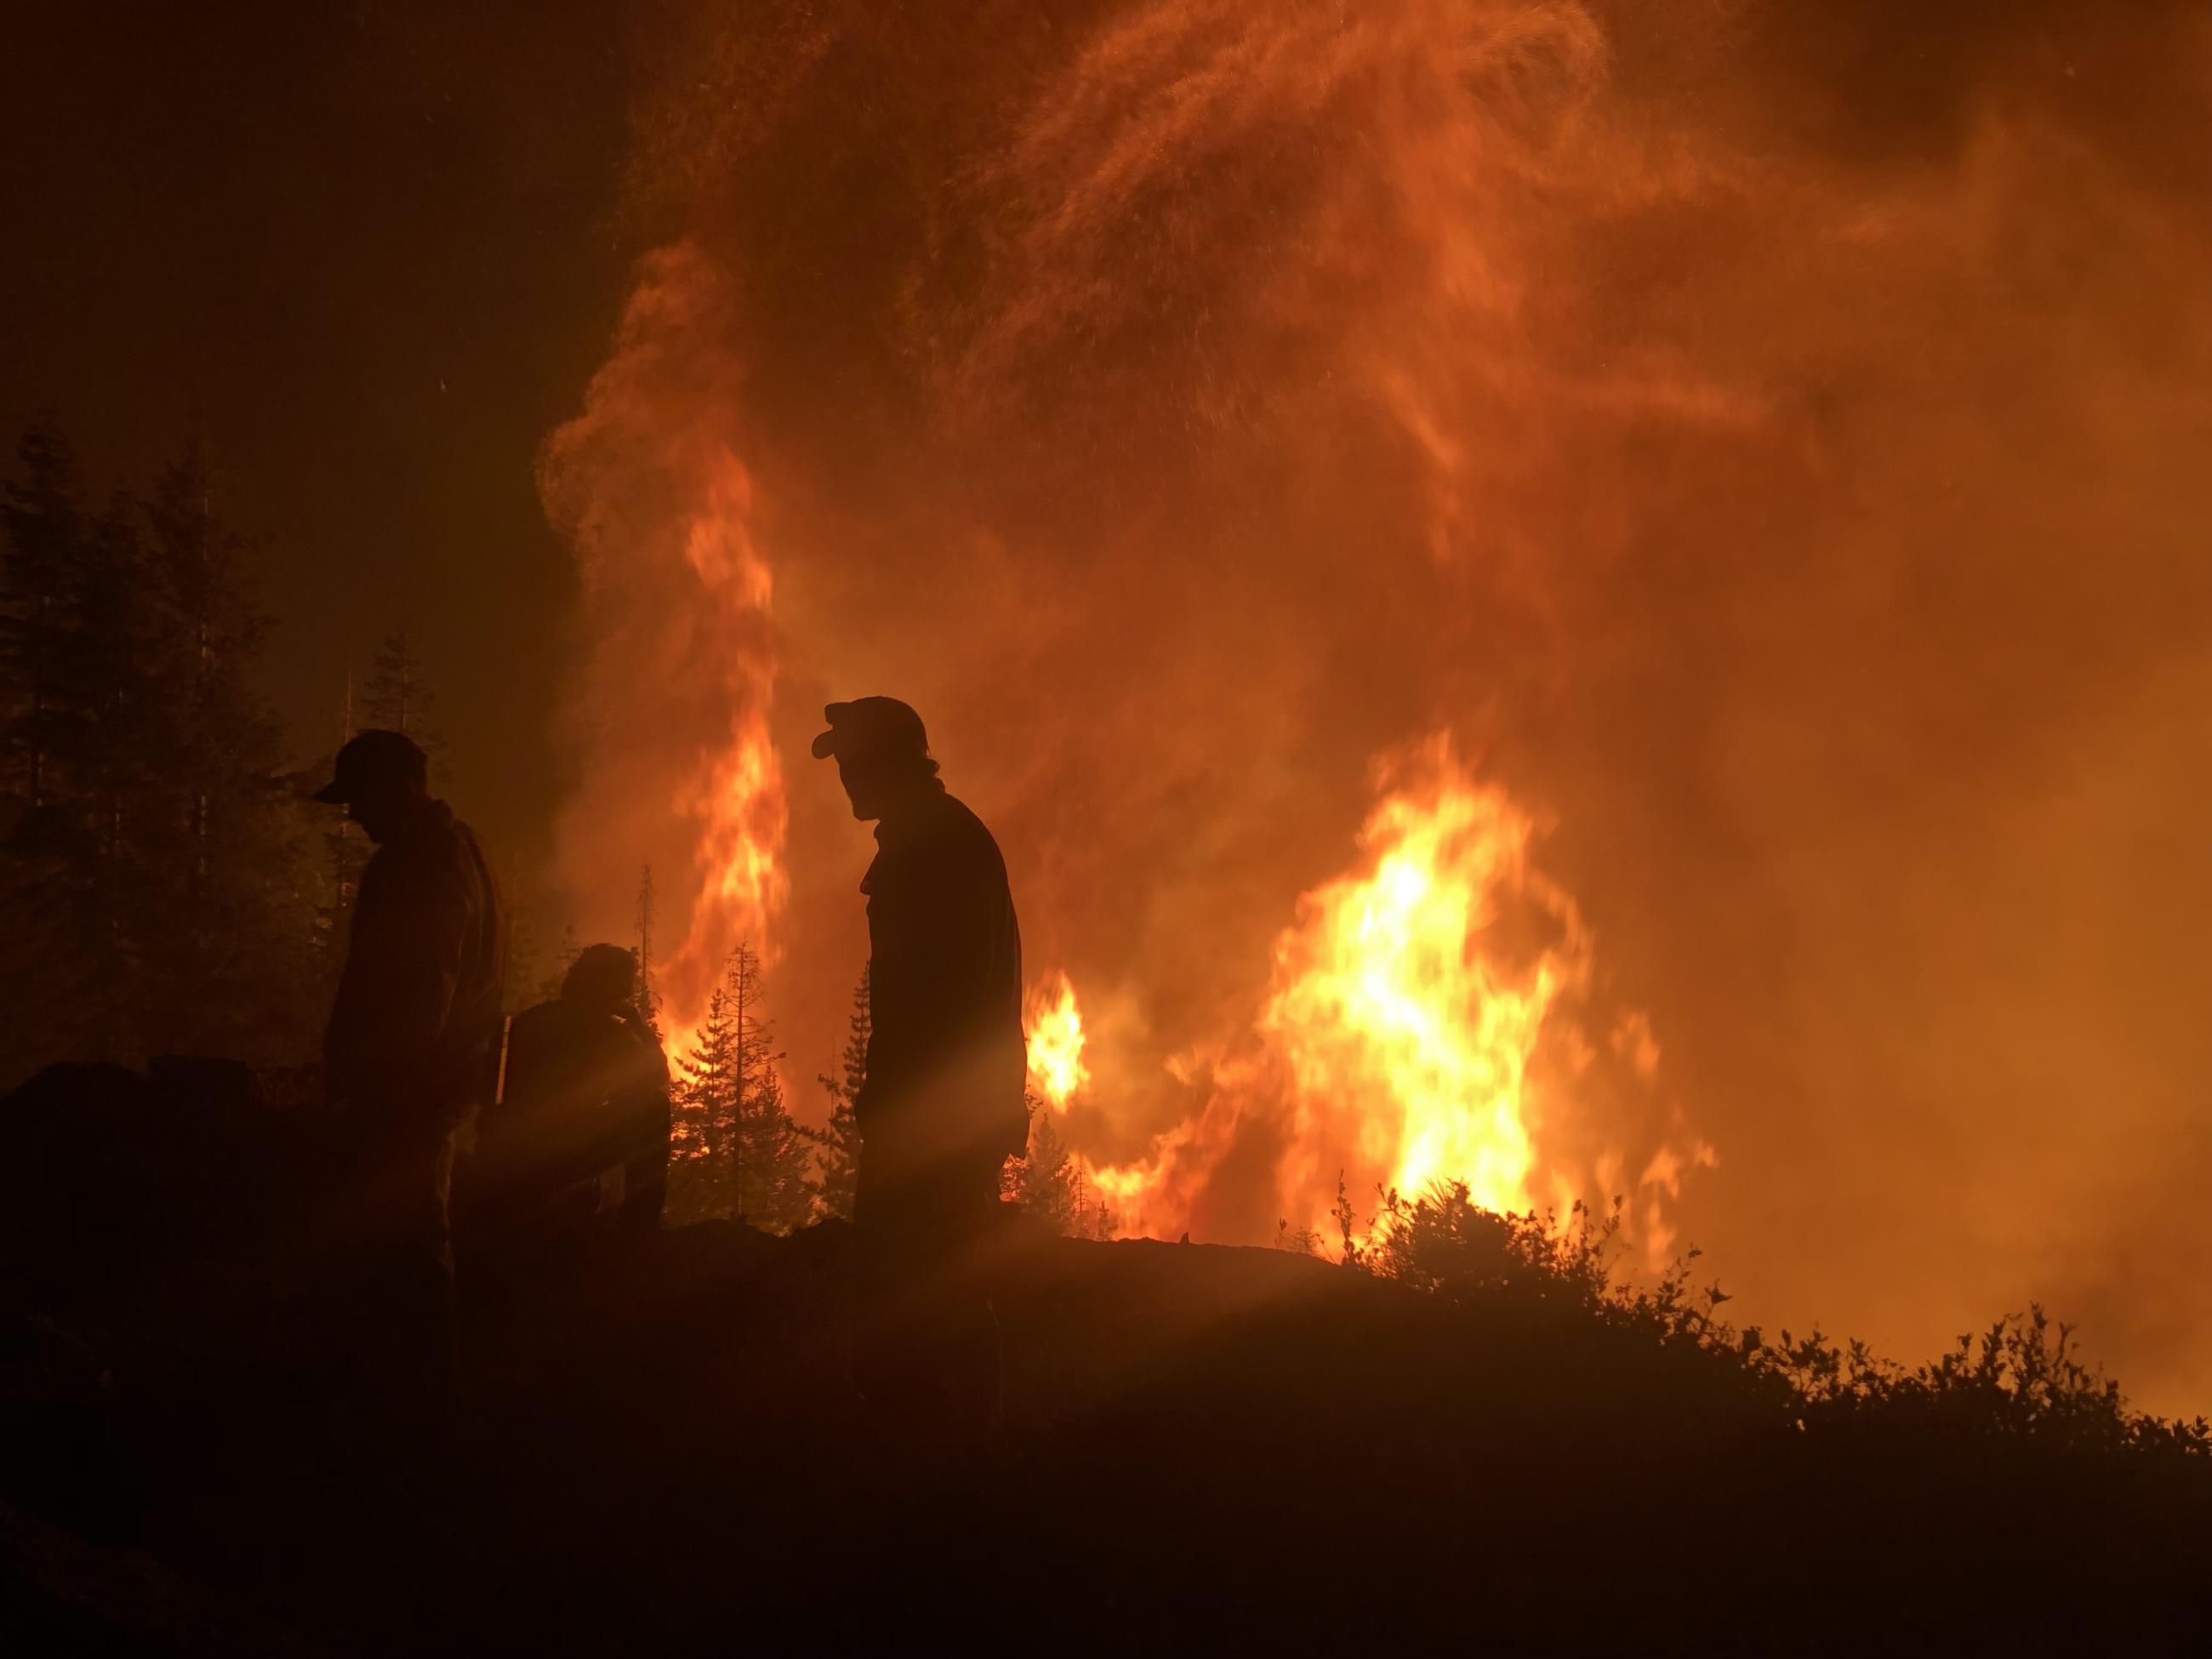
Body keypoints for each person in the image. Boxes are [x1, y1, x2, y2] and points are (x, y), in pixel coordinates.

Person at [315, 728, 504, 1397]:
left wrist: (384, 1090)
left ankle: (417, 1399)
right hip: (427, 1084)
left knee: (407, 1240)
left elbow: (429, 983)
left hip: (409, 1090)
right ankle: (412, 1390)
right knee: (410, 1236)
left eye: (359, 799)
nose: (354, 815)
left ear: (397, 789)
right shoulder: (456, 849)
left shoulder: (425, 862)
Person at [811, 697, 1028, 1242]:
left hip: (937, 1121)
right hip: (942, 1113)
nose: (847, 778)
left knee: (918, 1285)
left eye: (856, 762)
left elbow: (939, 998)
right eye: (843, 766)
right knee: (924, 1288)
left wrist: (901, 1105)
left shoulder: (933, 845)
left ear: (892, 759)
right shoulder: (933, 834)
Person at [466, 943, 670, 1284]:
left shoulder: (533, 1018)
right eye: (623, 984)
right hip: (552, 1158)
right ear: (609, 986)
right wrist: (635, 1022)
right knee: (653, 1109)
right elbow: (655, 1075)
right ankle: (638, 1239)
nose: (626, 992)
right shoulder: (606, 1031)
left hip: (507, 1153)